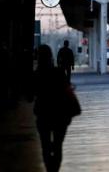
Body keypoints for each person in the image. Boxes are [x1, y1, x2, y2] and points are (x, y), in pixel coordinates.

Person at [32, 44, 73, 172]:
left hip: (42, 114)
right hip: (59, 115)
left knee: (45, 146)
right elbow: (67, 90)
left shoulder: (36, 75)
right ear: (50, 57)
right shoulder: (59, 73)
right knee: (57, 146)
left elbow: (28, 96)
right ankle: (55, 168)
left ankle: (50, 168)